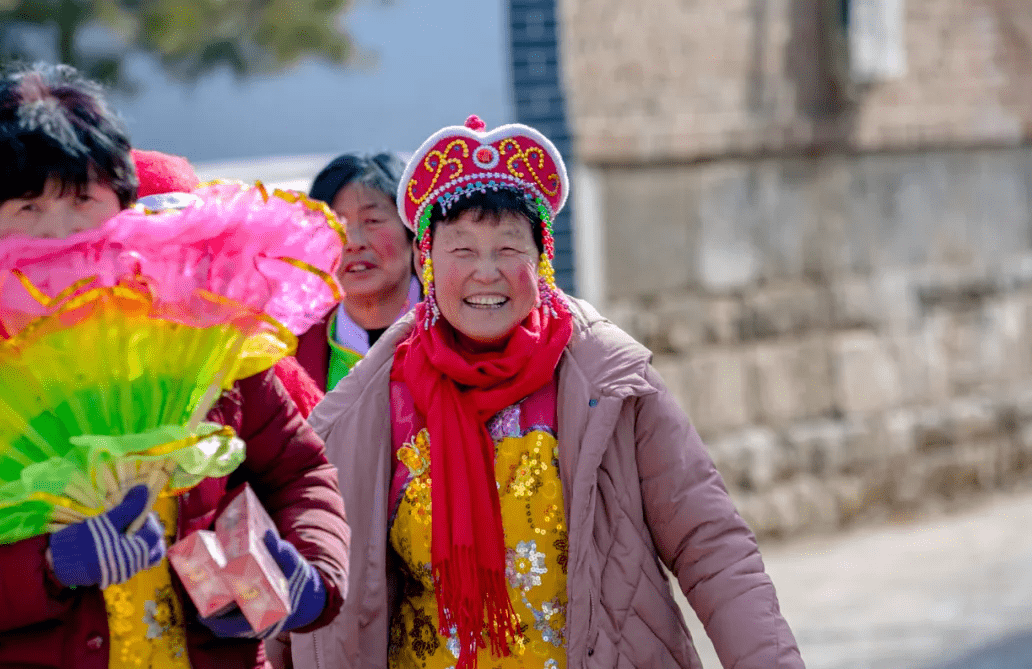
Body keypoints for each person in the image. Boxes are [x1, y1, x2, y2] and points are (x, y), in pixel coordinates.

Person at [291, 116, 804, 669]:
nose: (486, 273)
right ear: (428, 261)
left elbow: (712, 548)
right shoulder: (368, 403)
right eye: (461, 249)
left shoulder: (609, 380)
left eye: (508, 247)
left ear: (542, 257)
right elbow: (314, 594)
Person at [0, 62, 349, 669]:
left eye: (82, 199)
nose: (61, 234)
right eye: (29, 208)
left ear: (123, 203)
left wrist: (308, 576)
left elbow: (298, 470)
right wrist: (48, 567)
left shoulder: (195, 322)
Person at [296, 152, 421, 392]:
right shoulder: (292, 348)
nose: (353, 241)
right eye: (337, 223)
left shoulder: (459, 332)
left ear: (412, 232)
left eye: (372, 220)